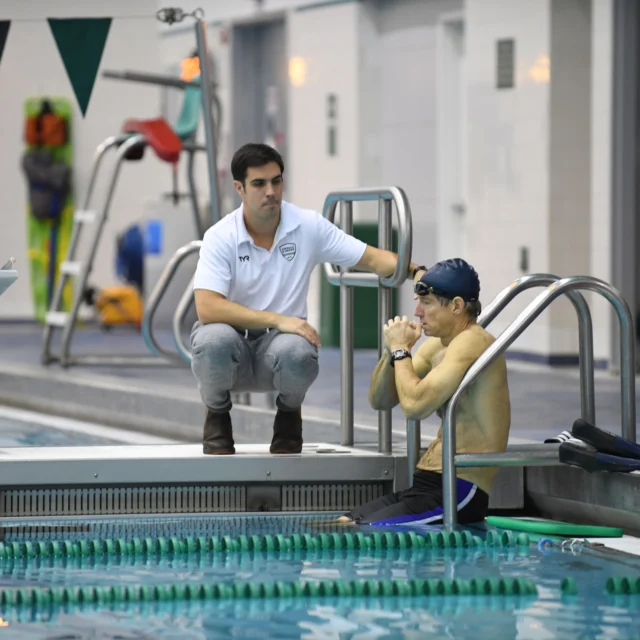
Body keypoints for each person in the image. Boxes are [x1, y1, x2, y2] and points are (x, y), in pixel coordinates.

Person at [191, 143, 420, 455]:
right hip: (234, 349)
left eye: (276, 181)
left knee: (299, 350)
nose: (271, 191)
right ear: (239, 188)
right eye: (259, 184)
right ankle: (216, 414)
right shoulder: (221, 236)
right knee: (212, 339)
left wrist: (419, 272)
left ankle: (289, 414)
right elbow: (207, 307)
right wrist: (278, 319)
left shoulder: (307, 226)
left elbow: (372, 258)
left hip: (280, 350)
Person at [336, 258, 511, 525]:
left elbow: (415, 406)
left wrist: (401, 351)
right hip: (427, 484)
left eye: (427, 303)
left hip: (459, 490)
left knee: (368, 533)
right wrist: (391, 351)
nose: (417, 312)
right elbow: (381, 399)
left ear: (456, 306)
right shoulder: (439, 346)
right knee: (345, 523)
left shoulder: (473, 342)